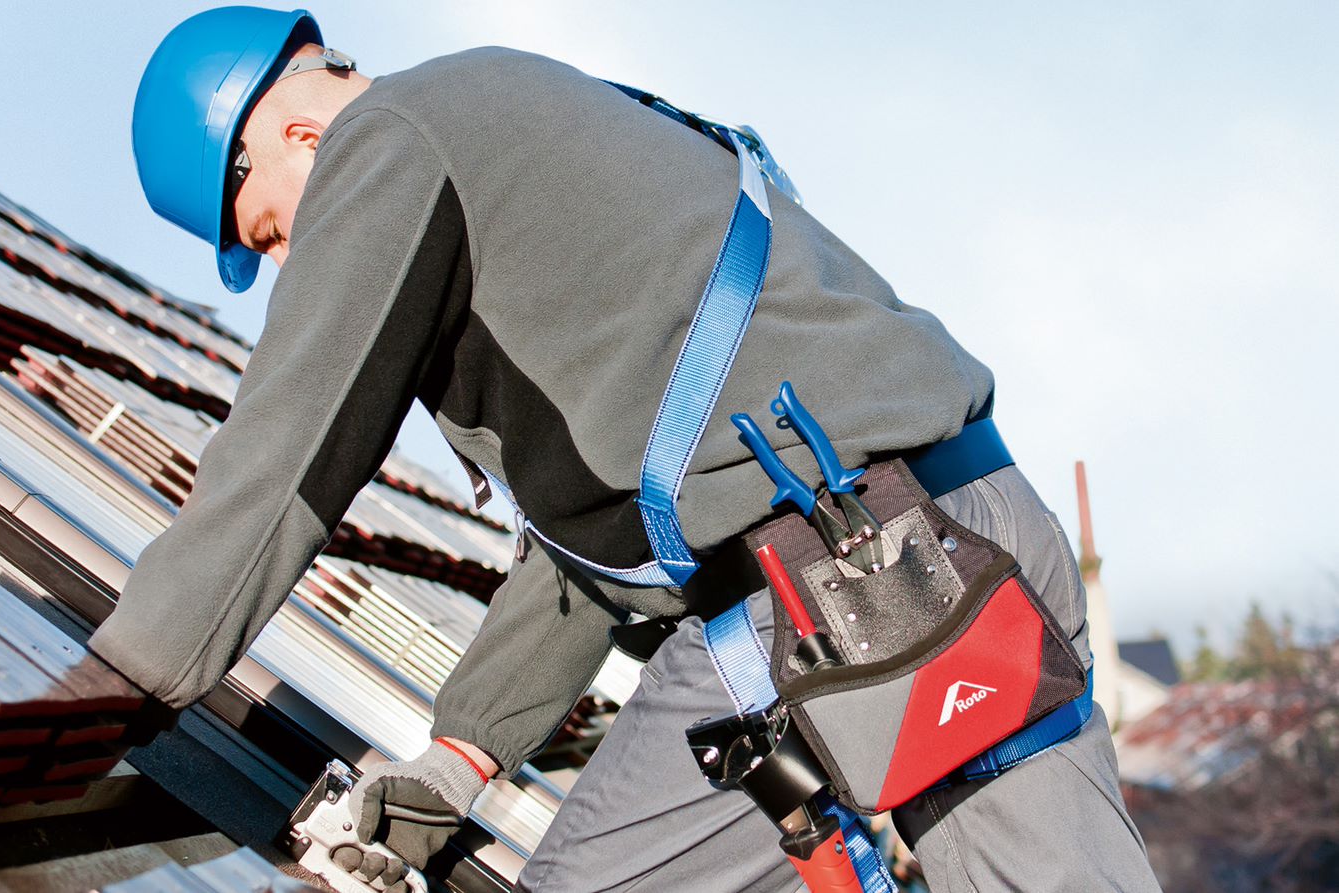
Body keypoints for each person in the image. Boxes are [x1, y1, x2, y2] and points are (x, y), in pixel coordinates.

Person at [91, 7, 1162, 892]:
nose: (288, 263)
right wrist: (463, 752)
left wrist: (109, 688)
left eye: (270, 232)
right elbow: (610, 528)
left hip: (861, 594)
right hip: (932, 550)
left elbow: (286, 448)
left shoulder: (390, 140)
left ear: (286, 139)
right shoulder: (514, 115)